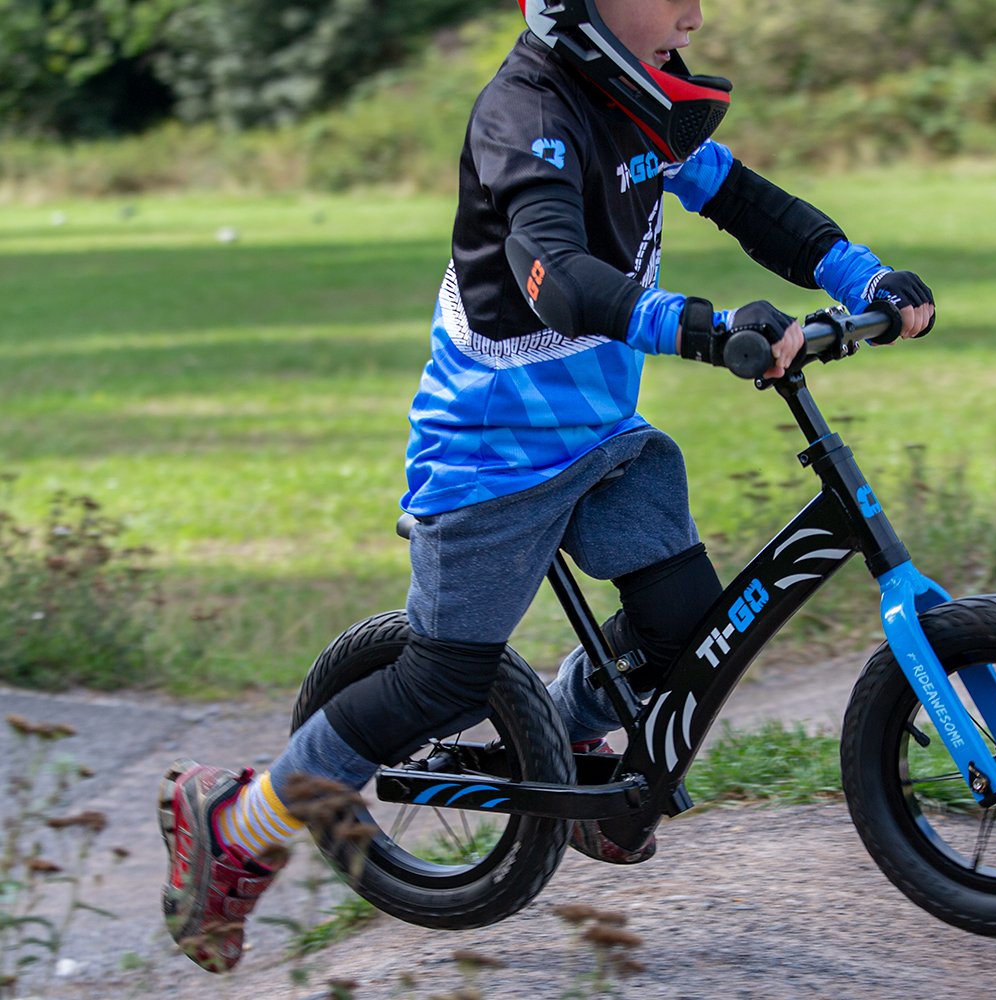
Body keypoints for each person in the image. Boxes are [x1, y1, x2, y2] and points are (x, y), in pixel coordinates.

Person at [158, 0, 936, 974]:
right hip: (492, 451)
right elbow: (557, 278)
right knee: (441, 681)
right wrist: (701, 326)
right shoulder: (526, 115)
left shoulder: (639, 102)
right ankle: (239, 820)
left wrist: (863, 276)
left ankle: (571, 752)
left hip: (602, 431)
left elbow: (746, 202)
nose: (696, 11)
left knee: (685, 627)